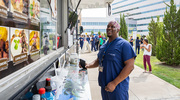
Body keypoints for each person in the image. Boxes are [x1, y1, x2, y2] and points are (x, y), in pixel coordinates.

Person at [79, 21, 136, 100]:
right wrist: (87, 65)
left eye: (112, 27)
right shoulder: (104, 46)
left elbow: (130, 66)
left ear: (118, 30)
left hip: (117, 89)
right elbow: (99, 61)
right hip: (105, 87)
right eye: (108, 26)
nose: (109, 28)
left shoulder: (124, 45)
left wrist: (114, 83)